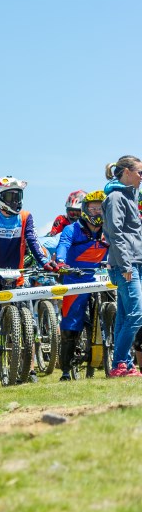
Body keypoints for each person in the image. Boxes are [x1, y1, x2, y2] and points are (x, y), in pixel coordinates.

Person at [0, 177, 55, 378]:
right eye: (10, 196)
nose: (15, 200)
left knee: (28, 322)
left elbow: (33, 241)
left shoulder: (25, 217)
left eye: (18, 196)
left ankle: (29, 368)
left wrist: (45, 262)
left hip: (17, 276)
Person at [54, 191, 110, 379]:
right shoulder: (72, 229)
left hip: (102, 278)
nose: (96, 212)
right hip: (75, 279)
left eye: (100, 208)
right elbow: (63, 245)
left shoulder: (109, 229)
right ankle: (66, 370)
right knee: (71, 324)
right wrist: (61, 262)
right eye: (92, 208)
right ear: (85, 210)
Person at [102, 156, 142, 376]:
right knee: (137, 315)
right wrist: (126, 266)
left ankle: (122, 365)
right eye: (139, 173)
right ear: (126, 172)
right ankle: (120, 363)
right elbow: (116, 234)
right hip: (126, 266)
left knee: (126, 316)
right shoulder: (116, 197)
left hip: (135, 263)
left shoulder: (130, 196)